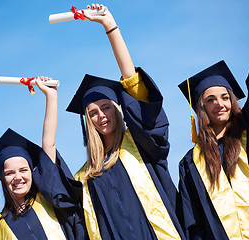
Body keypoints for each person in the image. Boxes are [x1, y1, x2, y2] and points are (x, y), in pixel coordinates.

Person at [67, 4, 186, 240]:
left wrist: (110, 27)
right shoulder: (85, 177)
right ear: (87, 122)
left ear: (119, 109)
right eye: (92, 113)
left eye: (106, 108)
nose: (101, 115)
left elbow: (133, 85)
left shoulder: (141, 144)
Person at [177, 2, 249, 239]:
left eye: (225, 97)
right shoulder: (191, 163)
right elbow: (194, 224)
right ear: (201, 108)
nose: (220, 104)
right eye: (211, 100)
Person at [0, 77, 88, 240]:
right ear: (2, 178)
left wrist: (51, 97)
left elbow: (49, 145)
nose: (18, 177)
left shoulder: (50, 201)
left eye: (23, 170)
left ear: (32, 172)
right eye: (10, 173)